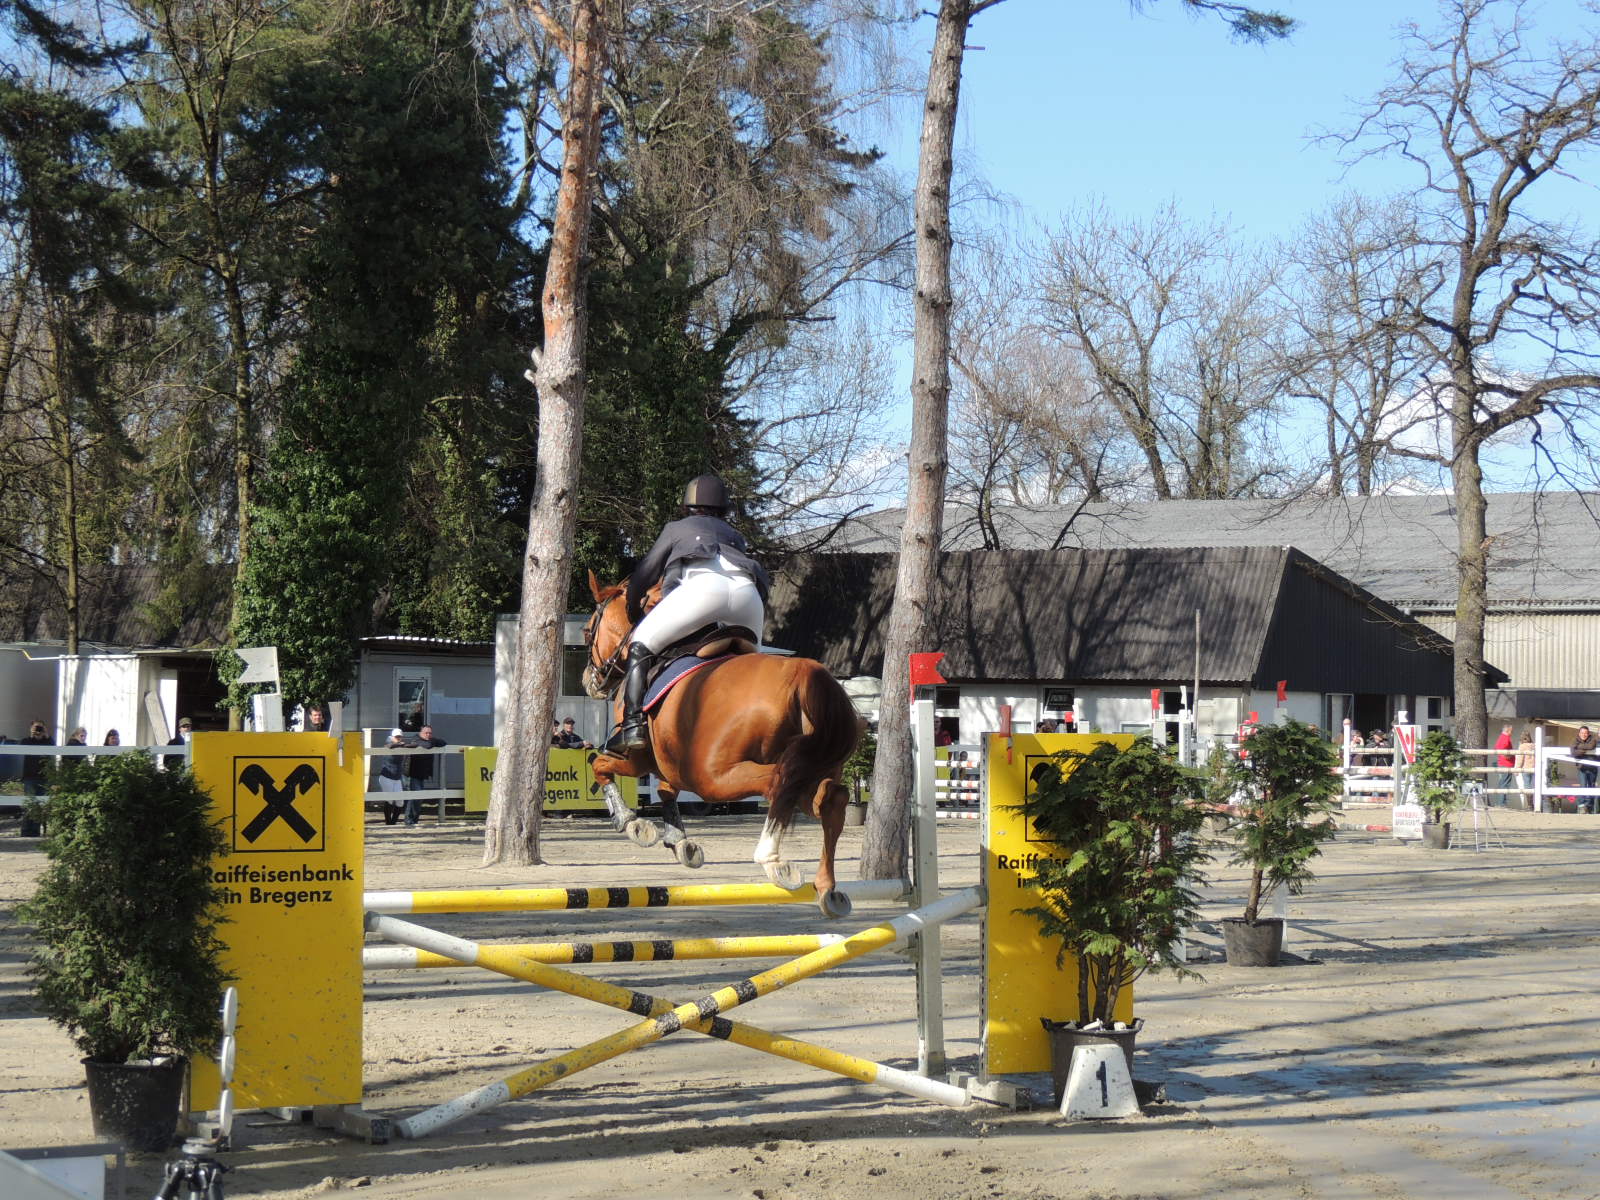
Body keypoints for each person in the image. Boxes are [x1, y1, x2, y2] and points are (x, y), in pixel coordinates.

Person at [606, 474, 770, 754]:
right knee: (753, 669)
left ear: (688, 506)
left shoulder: (675, 528)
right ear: (724, 508)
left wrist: (633, 608)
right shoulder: (735, 535)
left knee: (641, 642)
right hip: (749, 597)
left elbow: (645, 573)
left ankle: (632, 725)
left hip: (703, 591)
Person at [404, 725, 448, 827]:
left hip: (422, 775)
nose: (428, 735)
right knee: (415, 797)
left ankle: (414, 820)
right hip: (413, 773)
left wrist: (432, 740)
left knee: (418, 798)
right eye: (426, 733)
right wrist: (432, 742)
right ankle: (409, 820)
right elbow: (426, 745)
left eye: (430, 733)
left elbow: (443, 742)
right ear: (420, 733)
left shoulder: (430, 740)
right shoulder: (415, 739)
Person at [378, 728, 407, 825]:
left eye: (400, 737)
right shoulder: (389, 743)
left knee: (400, 802)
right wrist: (401, 744)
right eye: (396, 737)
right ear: (392, 737)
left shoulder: (400, 745)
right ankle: (388, 822)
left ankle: (393, 823)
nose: (398, 738)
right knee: (389, 800)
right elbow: (389, 746)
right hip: (386, 777)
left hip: (397, 778)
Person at [20, 721, 50, 800]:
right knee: (29, 801)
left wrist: (46, 734)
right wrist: (31, 735)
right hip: (29, 776)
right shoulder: (26, 740)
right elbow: (22, 747)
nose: (38, 729)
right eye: (36, 727)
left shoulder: (48, 741)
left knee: (43, 802)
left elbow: (53, 746)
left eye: (40, 727)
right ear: (31, 728)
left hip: (44, 777)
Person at [1572, 724, 1598, 810]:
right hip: (1582, 767)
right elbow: (1573, 752)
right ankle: (1581, 805)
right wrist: (1584, 750)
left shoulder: (1593, 738)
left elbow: (1591, 746)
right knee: (1582, 785)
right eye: (1582, 733)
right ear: (1579, 733)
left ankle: (1589, 805)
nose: (1584, 734)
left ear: (1588, 733)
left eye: (1585, 733)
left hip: (1592, 767)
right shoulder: (1575, 739)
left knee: (1591, 786)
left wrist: (1579, 747)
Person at [1515, 728, 1535, 808]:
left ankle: (1530, 804)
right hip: (1533, 768)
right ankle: (1532, 803)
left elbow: (1520, 759)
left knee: (1527, 786)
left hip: (1525, 768)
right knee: (1533, 786)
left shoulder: (1522, 746)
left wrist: (1517, 769)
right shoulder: (1534, 746)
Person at [1494, 723, 1515, 798]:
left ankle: (1501, 802)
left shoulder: (1501, 737)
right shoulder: (1506, 738)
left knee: (1502, 783)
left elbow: (1496, 748)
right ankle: (1502, 802)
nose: (1512, 733)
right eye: (1511, 731)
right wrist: (1508, 756)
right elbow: (1502, 749)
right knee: (1505, 784)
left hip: (1502, 763)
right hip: (1506, 764)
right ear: (1508, 730)